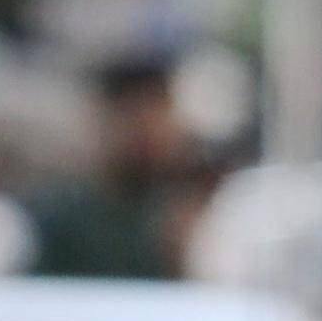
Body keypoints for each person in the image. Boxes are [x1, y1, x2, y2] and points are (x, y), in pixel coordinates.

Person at [25, 56, 213, 280]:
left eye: (159, 111)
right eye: (137, 115)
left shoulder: (186, 211)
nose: (152, 131)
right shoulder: (61, 218)